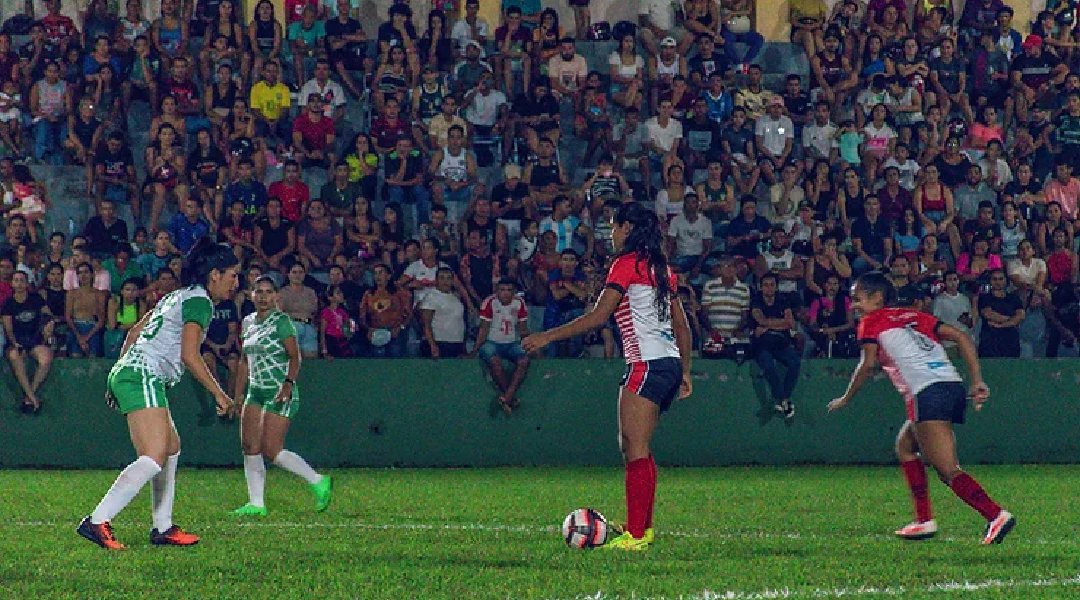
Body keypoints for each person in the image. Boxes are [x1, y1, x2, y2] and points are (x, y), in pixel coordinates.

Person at [523, 203, 693, 551]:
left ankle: (636, 536)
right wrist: (686, 371)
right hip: (668, 364)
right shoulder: (661, 268)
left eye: (615, 226)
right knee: (637, 445)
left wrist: (547, 336)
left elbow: (599, 317)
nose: (611, 233)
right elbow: (682, 324)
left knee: (633, 446)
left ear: (628, 228)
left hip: (646, 363)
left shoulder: (625, 264)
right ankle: (641, 528)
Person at [828, 272, 1015, 545]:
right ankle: (924, 520)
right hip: (951, 385)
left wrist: (846, 398)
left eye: (857, 299)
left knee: (948, 470)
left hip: (927, 391)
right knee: (905, 447)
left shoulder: (870, 322)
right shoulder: (913, 316)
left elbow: (866, 364)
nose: (853, 305)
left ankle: (995, 514)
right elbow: (961, 336)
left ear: (877, 298)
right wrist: (976, 380)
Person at [78, 240, 240, 550]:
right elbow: (190, 355)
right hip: (143, 374)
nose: (236, 283)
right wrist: (220, 395)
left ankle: (163, 527)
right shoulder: (200, 302)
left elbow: (134, 332)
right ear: (215, 274)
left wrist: (117, 373)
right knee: (154, 456)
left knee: (171, 448)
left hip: (132, 371)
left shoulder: (176, 296)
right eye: (232, 275)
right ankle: (98, 520)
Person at [232, 275, 333, 517]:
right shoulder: (247, 322)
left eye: (268, 292)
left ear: (276, 296)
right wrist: (237, 395)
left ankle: (317, 480)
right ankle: (256, 503)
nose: (263, 297)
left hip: (278, 390)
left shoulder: (282, 322)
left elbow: (295, 357)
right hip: (255, 391)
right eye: (259, 292)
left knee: (271, 449)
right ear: (251, 295)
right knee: (249, 446)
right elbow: (244, 361)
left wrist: (288, 384)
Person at [472, 279, 530, 414]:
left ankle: (507, 397)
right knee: (494, 362)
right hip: (492, 342)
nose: (505, 293)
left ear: (514, 292)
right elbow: (483, 329)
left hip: (512, 343)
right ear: (497, 291)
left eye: (509, 290)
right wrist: (475, 349)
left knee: (524, 361)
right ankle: (510, 397)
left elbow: (523, 329)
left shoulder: (519, 303)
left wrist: (529, 344)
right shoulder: (490, 302)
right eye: (502, 290)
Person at [3, 270, 54, 413]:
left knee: (46, 358)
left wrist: (49, 324)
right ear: (12, 283)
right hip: (16, 342)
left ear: (26, 283)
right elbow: (8, 329)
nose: (19, 284)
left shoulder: (36, 299)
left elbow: (48, 315)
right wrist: (14, 343)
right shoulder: (8, 304)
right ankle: (33, 398)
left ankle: (29, 395)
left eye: (22, 280)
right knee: (15, 357)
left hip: (34, 341)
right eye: (16, 280)